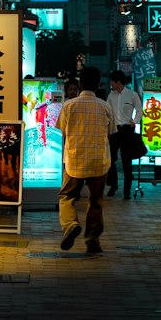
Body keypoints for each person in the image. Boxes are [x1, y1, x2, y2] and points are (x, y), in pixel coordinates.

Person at [57, 64, 116, 255]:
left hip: (74, 160)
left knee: (66, 197)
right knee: (95, 201)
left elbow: (62, 133)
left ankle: (70, 225)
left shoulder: (69, 106)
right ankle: (92, 240)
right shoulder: (105, 107)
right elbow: (110, 134)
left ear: (80, 84)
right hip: (99, 162)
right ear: (98, 84)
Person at [106, 69, 143, 199]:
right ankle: (113, 185)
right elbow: (108, 112)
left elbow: (140, 110)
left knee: (127, 161)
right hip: (114, 130)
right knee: (110, 159)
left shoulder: (132, 95)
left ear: (118, 82)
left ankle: (127, 191)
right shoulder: (111, 96)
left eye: (112, 81)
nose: (110, 83)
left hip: (127, 129)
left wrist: (134, 121)